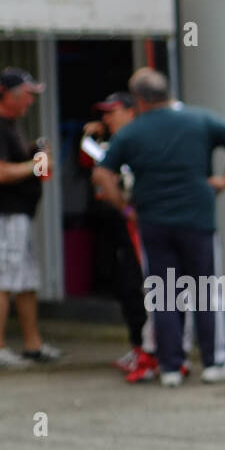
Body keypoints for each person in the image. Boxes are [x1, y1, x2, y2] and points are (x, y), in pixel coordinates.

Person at [92, 68, 225, 387]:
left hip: (153, 222)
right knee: (206, 291)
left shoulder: (131, 133)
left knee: (163, 294)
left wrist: (125, 207)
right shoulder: (199, 120)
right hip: (198, 220)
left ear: (138, 99)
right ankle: (215, 362)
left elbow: (101, 175)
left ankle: (170, 367)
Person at [82, 91, 157, 380]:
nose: (106, 118)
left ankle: (151, 351)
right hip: (114, 225)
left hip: (140, 226)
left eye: (112, 112)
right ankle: (139, 347)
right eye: (104, 112)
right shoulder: (109, 144)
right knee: (124, 285)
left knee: (141, 285)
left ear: (131, 112)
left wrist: (127, 210)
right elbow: (91, 171)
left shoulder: (141, 141)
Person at [0, 67, 61, 369]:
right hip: (2, 217)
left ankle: (33, 344)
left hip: (19, 216)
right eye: (28, 96)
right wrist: (34, 164)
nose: (30, 103)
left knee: (25, 281)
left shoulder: (10, 125)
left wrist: (35, 157)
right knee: (2, 280)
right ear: (9, 94)